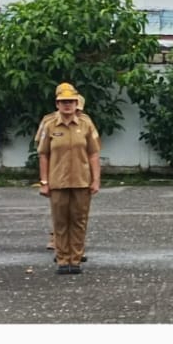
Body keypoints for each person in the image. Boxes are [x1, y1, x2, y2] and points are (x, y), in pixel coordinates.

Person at [39, 82, 101, 274]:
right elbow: (43, 154)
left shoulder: (86, 124)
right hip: (58, 181)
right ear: (57, 104)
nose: (67, 105)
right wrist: (44, 182)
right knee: (60, 221)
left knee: (79, 220)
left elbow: (93, 153)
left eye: (71, 102)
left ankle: (75, 259)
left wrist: (96, 179)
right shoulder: (49, 125)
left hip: (82, 181)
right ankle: (62, 259)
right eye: (63, 102)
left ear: (77, 104)